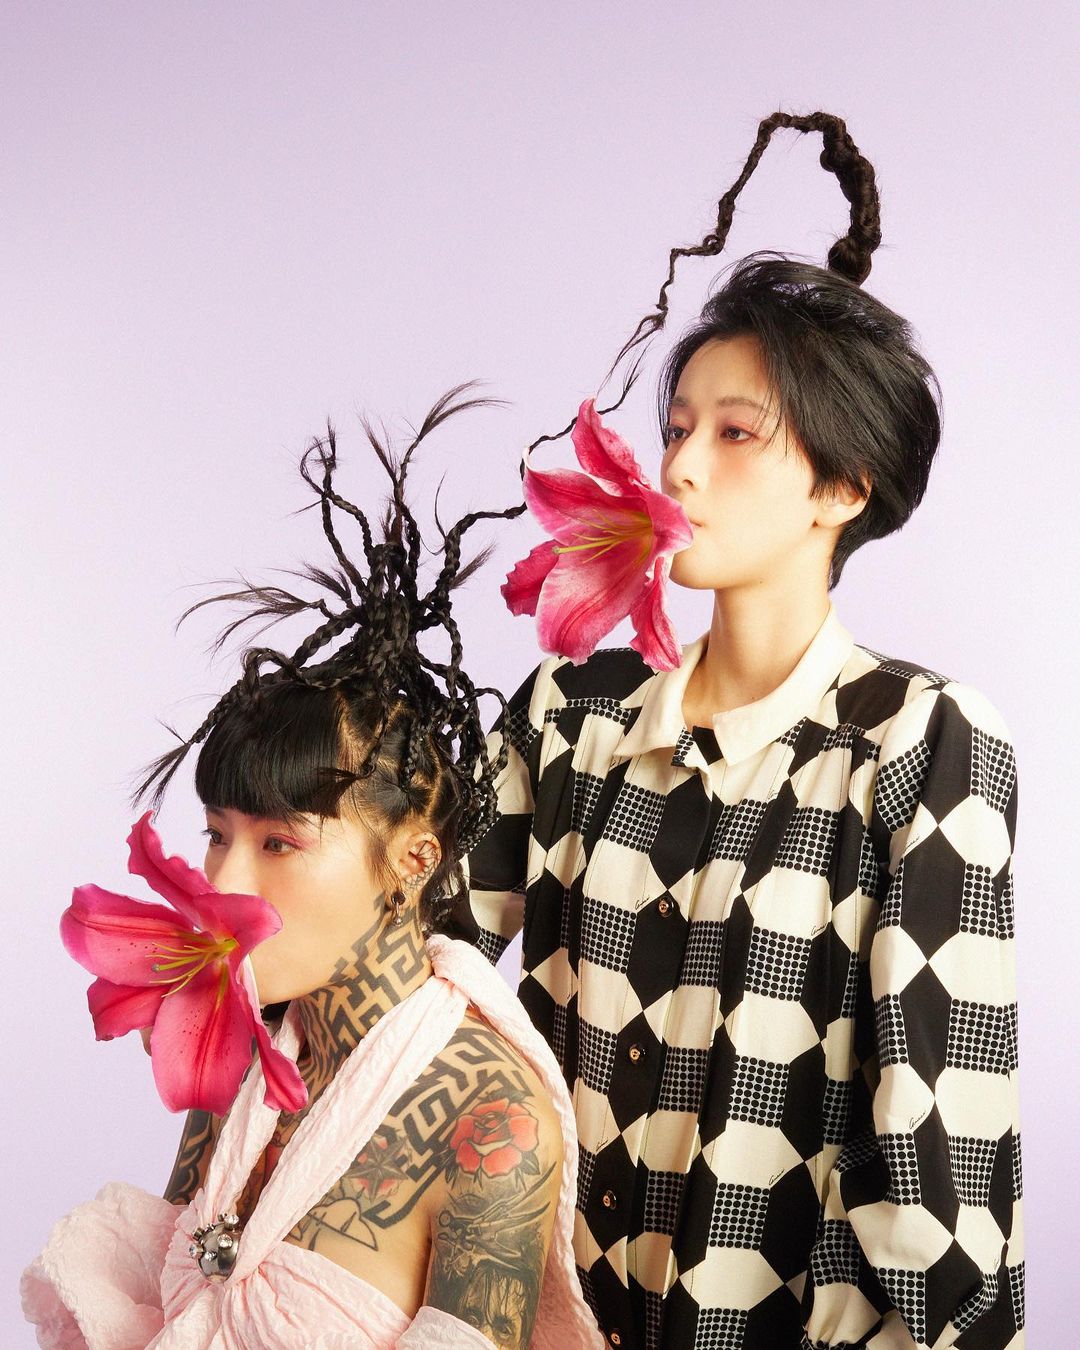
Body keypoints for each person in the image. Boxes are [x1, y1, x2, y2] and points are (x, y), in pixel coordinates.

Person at [464, 113, 1024, 1348]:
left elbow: (942, 1156)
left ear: (842, 486)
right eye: (676, 429)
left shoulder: (918, 743)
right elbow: (421, 975)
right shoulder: (572, 712)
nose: (677, 469)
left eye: (734, 434)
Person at [21, 389, 606, 1349]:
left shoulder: (491, 1123)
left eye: (280, 843)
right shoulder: (245, 1054)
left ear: (412, 860)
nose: (226, 886)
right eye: (218, 835)